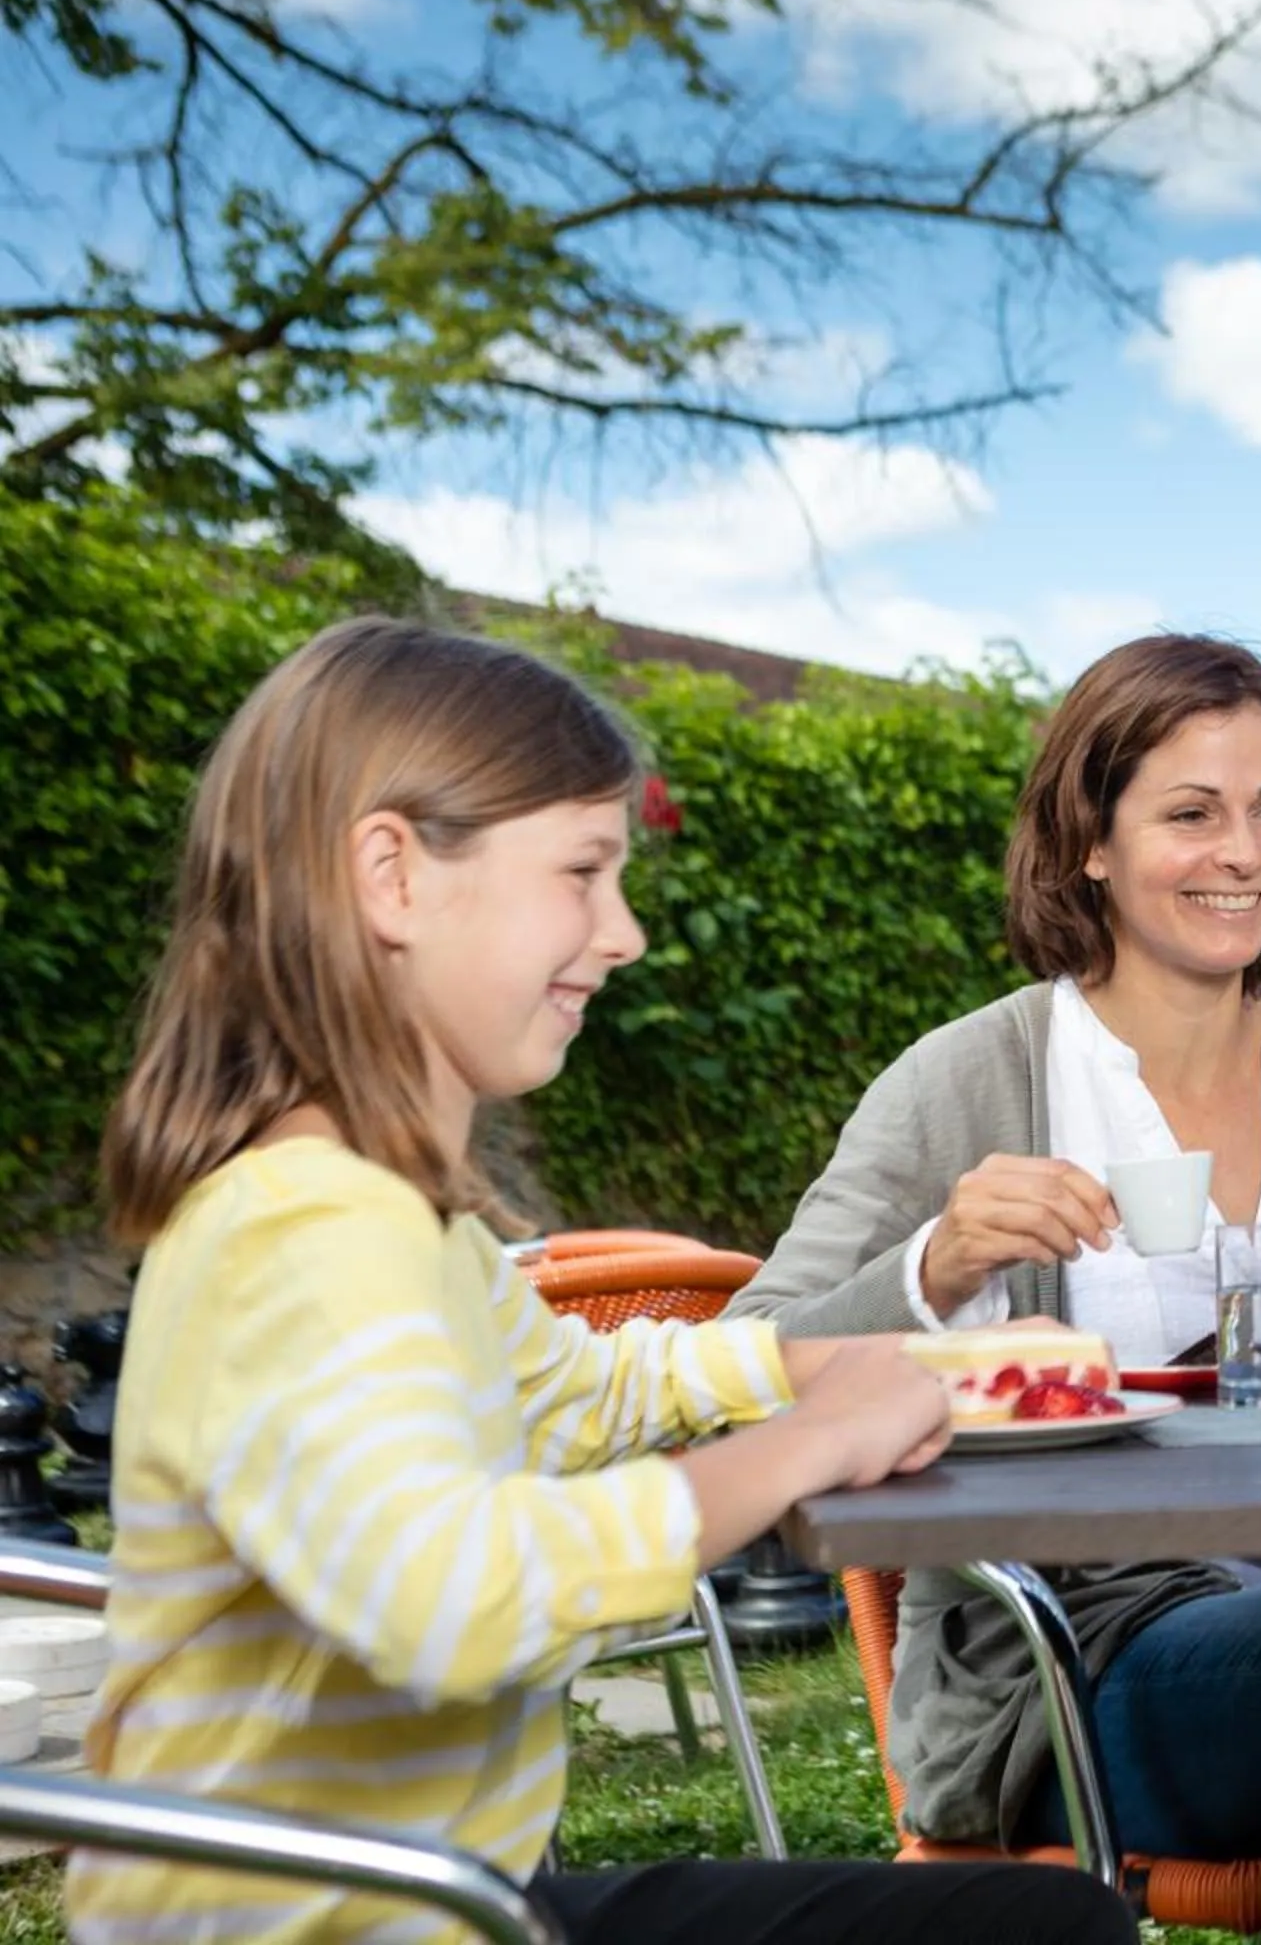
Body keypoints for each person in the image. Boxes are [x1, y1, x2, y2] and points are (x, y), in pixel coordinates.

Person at [74, 619, 1134, 1945]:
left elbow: (579, 1392)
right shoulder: (308, 1225)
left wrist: (816, 1367)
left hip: (440, 1901)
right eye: (583, 872)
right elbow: (455, 1601)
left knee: (1032, 1925)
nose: (621, 934)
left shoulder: (402, 1220)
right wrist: (803, 1446)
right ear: (392, 877)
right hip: (342, 1925)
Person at [727, 633, 1261, 1945]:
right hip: (1075, 1655)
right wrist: (935, 1265)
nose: (1243, 854)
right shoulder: (972, 1079)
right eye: (1189, 814)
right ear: (1090, 839)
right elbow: (741, 1367)